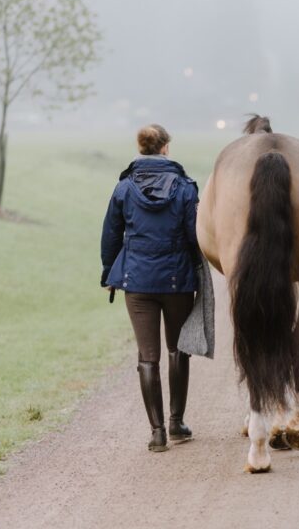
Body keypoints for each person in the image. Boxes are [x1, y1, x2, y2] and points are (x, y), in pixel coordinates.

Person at [101, 124, 199, 452]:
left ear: (140, 148)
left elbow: (111, 236)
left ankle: (156, 433)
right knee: (177, 349)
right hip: (177, 281)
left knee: (147, 356)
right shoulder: (185, 188)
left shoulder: (124, 188)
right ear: (165, 148)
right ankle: (176, 423)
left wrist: (108, 273)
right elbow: (192, 236)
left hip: (137, 282)